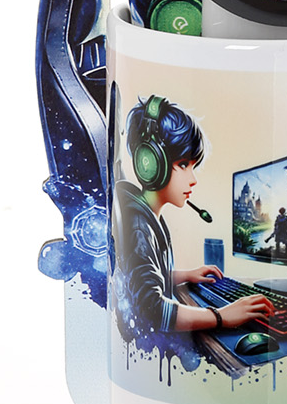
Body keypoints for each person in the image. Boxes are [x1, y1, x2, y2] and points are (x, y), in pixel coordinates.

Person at [110, 95, 274, 341]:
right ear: (151, 163)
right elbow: (152, 309)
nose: (193, 179)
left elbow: (140, 276)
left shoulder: (147, 216)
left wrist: (184, 275)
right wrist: (221, 316)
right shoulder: (139, 225)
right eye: (184, 164)